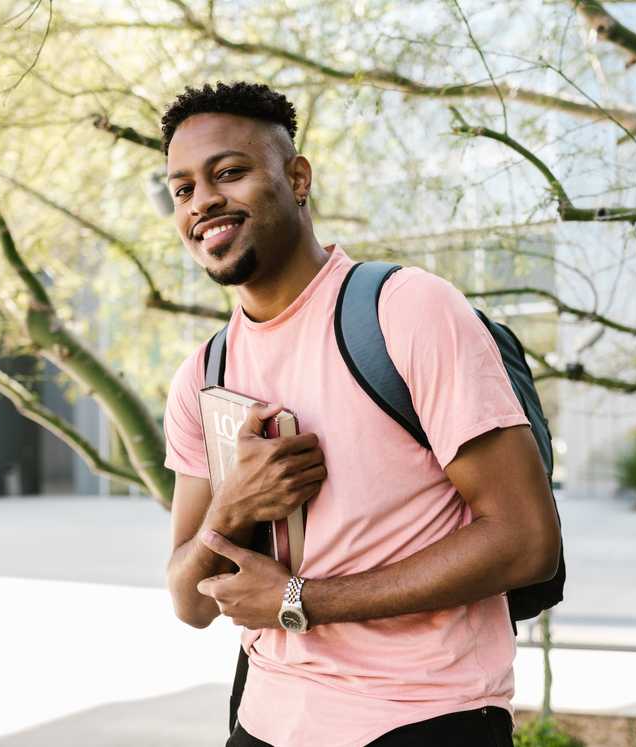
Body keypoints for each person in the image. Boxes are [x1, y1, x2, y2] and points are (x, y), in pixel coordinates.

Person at [161, 81, 561, 747]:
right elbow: (190, 601)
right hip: (266, 719)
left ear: (297, 177)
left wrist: (299, 600)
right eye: (181, 189)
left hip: (422, 714)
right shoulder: (204, 374)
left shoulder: (405, 311)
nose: (202, 201)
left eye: (228, 172)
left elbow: (525, 540)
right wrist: (232, 507)